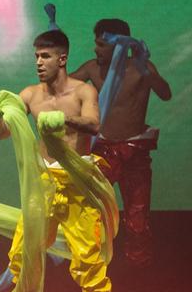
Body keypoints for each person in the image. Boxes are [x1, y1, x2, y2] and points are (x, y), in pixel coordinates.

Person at [0, 29, 115, 292]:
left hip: (77, 187)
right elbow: (2, 134)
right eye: (36, 57)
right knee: (20, 256)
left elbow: (94, 125)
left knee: (89, 264)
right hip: (43, 186)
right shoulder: (30, 94)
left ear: (62, 58)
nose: (39, 63)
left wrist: (66, 120)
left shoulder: (84, 91)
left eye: (45, 56)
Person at [70, 19, 171, 270]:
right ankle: (89, 265)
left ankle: (138, 271)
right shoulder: (93, 69)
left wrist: (146, 70)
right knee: (90, 211)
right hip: (102, 151)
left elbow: (165, 93)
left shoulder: (141, 69)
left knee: (137, 217)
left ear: (119, 46)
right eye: (96, 43)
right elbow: (62, 88)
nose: (96, 49)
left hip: (134, 152)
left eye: (101, 44)